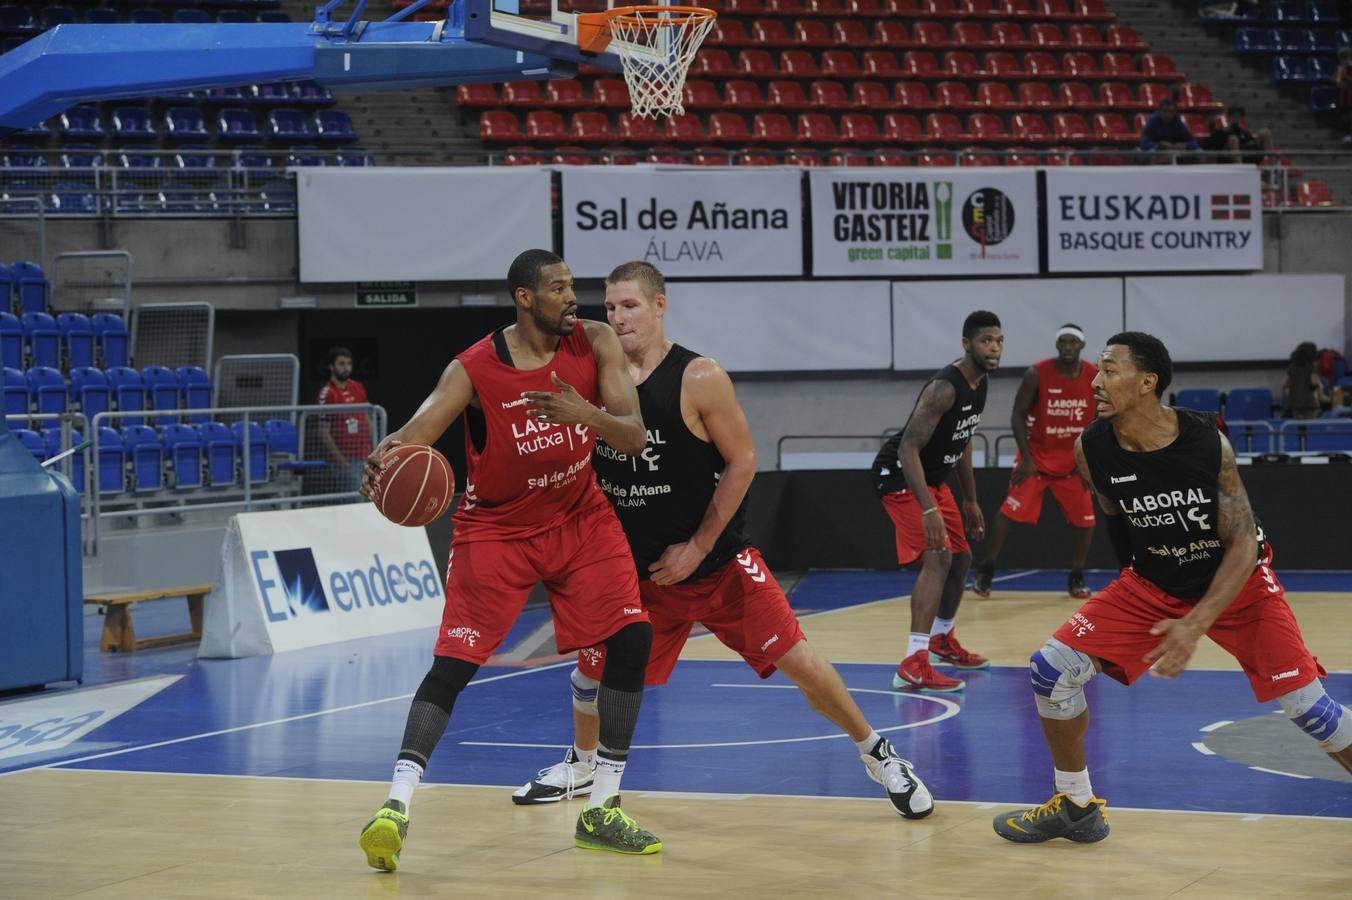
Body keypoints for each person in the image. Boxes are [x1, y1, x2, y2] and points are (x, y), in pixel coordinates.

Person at [511, 261, 933, 820]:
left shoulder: (699, 376)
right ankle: (582, 766)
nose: (617, 317)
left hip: (716, 564)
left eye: (630, 305)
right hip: (637, 574)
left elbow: (743, 462)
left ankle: (878, 754)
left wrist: (697, 547)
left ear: (660, 306)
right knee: (588, 673)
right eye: (610, 307)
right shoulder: (592, 375)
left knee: (801, 662)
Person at [356, 249, 661, 869]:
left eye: (573, 286)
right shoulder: (474, 368)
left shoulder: (595, 342)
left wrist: (585, 414)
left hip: (580, 519)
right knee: (453, 665)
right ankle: (395, 804)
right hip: (497, 529)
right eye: (558, 288)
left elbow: (633, 436)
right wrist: (383, 461)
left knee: (632, 639)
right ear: (525, 298)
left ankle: (602, 807)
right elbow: (418, 430)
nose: (572, 297)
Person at [993, 332, 1352, 844]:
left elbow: (1244, 544)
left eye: (1110, 370)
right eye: (1098, 369)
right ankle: (1075, 804)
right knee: (1052, 670)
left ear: (1147, 382)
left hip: (1238, 582)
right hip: (1154, 582)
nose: (1095, 381)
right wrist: (1136, 600)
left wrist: (1194, 625)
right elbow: (1119, 519)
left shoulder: (1207, 444)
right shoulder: (1091, 447)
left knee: (1309, 709)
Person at [871, 311, 1003, 694]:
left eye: (999, 340)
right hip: (899, 475)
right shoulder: (944, 388)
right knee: (939, 556)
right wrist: (928, 508)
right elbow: (909, 448)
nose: (994, 347)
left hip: (932, 478)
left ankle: (943, 640)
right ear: (967, 344)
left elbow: (962, 441)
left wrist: (971, 500)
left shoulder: (981, 385)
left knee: (961, 558)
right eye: (985, 340)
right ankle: (913, 663)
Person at [974, 324, 1098, 601]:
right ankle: (987, 569)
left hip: (1073, 461)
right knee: (1008, 512)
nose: (1067, 346)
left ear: (1081, 346)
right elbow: (1018, 415)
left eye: (1073, 342)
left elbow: (1101, 420)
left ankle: (1077, 574)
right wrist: (1026, 459)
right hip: (1037, 459)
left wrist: (1088, 459)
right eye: (1063, 342)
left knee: (1086, 522)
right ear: (1057, 345)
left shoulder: (1093, 375)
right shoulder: (1037, 373)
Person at [316, 346, 371, 496]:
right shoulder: (327, 393)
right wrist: (342, 462)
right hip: (345, 460)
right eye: (341, 363)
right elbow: (323, 431)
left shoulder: (358, 387)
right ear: (331, 367)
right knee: (352, 502)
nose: (346, 367)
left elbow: (367, 419)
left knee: (369, 502)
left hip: (365, 456)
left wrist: (373, 450)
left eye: (349, 363)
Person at [1139, 98, 1199, 163]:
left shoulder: (1178, 122)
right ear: (1159, 112)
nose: (1167, 115)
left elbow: (1194, 143)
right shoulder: (1152, 121)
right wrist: (1160, 146)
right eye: (1165, 112)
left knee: (1199, 153)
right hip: (1158, 152)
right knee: (1146, 154)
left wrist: (1185, 145)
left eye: (1171, 112)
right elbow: (1144, 143)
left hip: (1175, 153)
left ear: (1175, 113)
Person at [1283, 341, 1327, 419]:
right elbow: (1314, 384)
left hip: (1295, 403)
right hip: (1309, 403)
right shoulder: (1312, 368)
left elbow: (1285, 384)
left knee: (1299, 427)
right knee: (1310, 427)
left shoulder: (1292, 367)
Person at [1336, 48, 1351, 145]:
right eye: (1342, 59)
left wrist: (1346, 78)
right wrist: (1341, 82)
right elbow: (1338, 82)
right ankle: (1347, 134)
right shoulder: (1340, 68)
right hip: (1343, 96)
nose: (1344, 60)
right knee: (1345, 116)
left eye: (1346, 58)